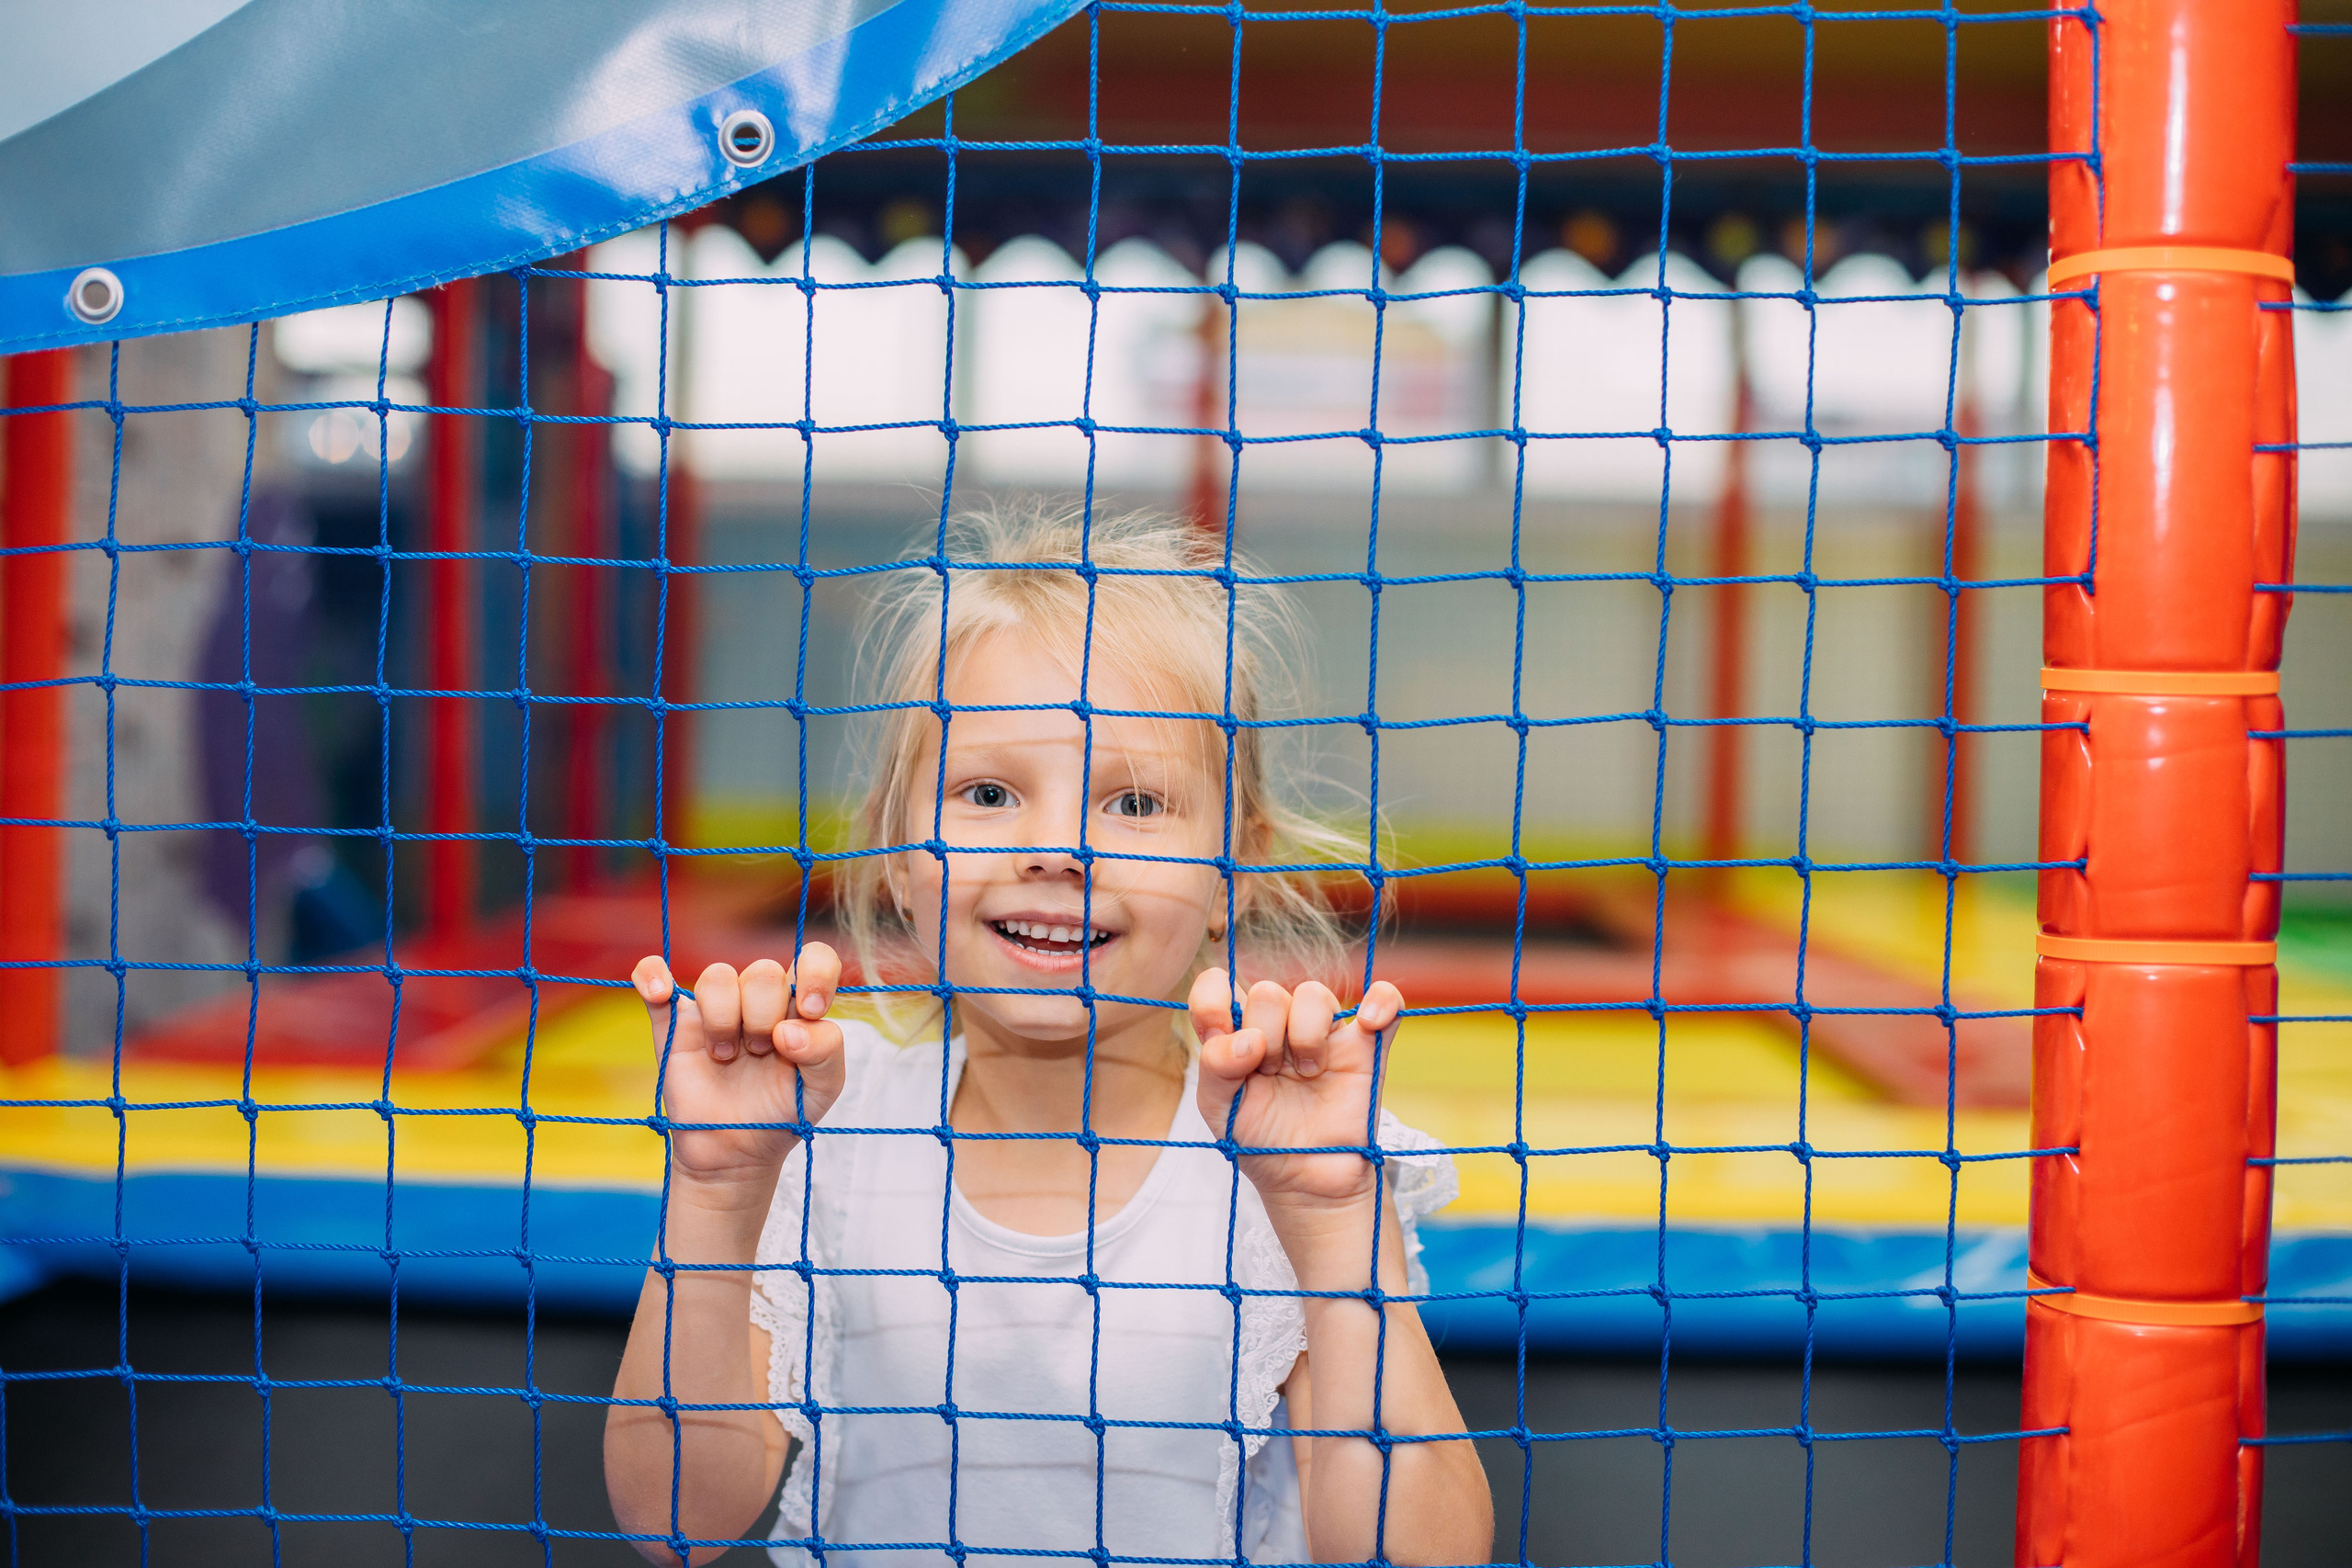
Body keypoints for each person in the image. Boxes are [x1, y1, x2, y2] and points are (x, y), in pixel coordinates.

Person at [605, 506, 1490, 1566]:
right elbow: (674, 1524)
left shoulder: (1285, 1156)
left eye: (1133, 802)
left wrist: (1331, 1219)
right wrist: (716, 1190)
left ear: (1233, 874)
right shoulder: (823, 1127)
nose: (1058, 847)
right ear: (899, 856)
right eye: (988, 792)